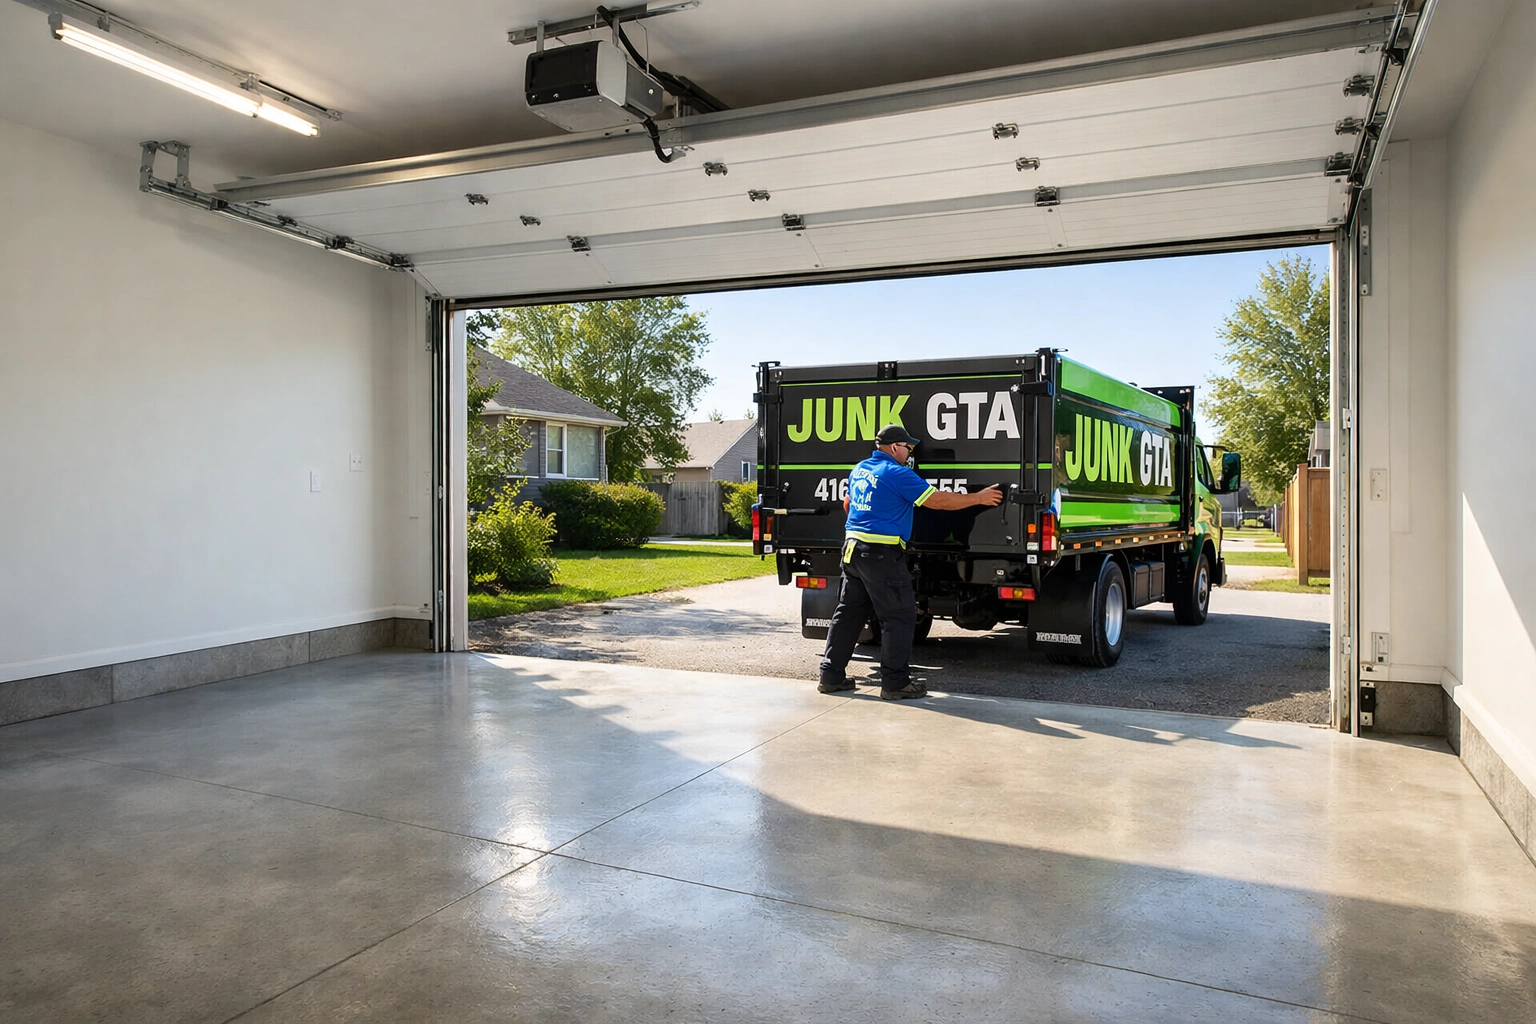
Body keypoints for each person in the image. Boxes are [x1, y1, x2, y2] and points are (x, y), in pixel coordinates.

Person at [818, 424, 1003, 700]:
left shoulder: (861, 469)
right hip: (881, 553)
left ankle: (830, 677)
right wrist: (978, 497)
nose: (909, 452)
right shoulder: (898, 473)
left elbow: (848, 504)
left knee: (849, 614)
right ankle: (895, 683)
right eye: (907, 448)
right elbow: (938, 501)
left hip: (852, 551)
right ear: (894, 448)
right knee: (899, 616)